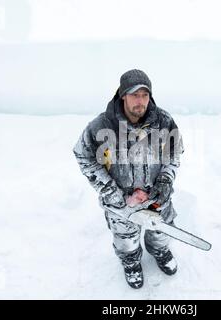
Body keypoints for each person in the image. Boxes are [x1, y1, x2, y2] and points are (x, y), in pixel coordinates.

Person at [73, 69, 184, 289]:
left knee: (161, 231)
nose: (140, 101)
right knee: (125, 239)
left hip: (156, 198)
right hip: (120, 202)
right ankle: (131, 262)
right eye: (134, 95)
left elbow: (174, 153)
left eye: (145, 95)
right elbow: (83, 155)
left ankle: (159, 251)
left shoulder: (164, 121)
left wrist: (164, 181)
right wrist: (111, 193)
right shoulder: (101, 126)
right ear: (123, 95)